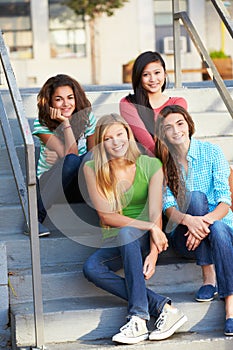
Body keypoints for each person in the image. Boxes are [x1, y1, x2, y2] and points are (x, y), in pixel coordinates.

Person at [82, 113, 187, 345]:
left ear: (129, 135)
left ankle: (138, 316)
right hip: (117, 237)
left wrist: (153, 252)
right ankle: (163, 307)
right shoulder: (92, 168)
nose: (116, 142)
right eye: (108, 138)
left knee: (128, 232)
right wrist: (150, 226)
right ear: (101, 142)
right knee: (91, 268)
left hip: (141, 239)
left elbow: (155, 211)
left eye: (120, 134)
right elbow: (106, 216)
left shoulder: (151, 165)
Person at [155, 104, 233, 336]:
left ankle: (230, 305)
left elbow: (225, 201)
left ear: (188, 125)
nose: (176, 130)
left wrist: (202, 223)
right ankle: (208, 275)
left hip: (220, 231)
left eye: (180, 123)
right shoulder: (165, 163)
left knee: (218, 227)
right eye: (168, 127)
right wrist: (190, 221)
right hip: (185, 238)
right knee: (196, 198)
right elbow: (168, 207)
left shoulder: (212, 152)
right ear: (163, 135)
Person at [25, 74, 96, 236]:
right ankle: (35, 219)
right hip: (52, 184)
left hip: (79, 185)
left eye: (70, 97)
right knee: (71, 160)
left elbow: (91, 157)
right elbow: (69, 155)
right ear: (50, 102)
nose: (66, 104)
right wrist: (65, 123)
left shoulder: (88, 118)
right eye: (59, 99)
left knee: (91, 159)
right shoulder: (41, 124)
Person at [119, 51, 187, 155]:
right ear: (139, 78)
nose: (153, 79)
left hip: (175, 158)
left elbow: (178, 139)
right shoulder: (128, 103)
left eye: (157, 73)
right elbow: (147, 144)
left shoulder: (178, 103)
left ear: (165, 74)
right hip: (145, 162)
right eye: (146, 75)